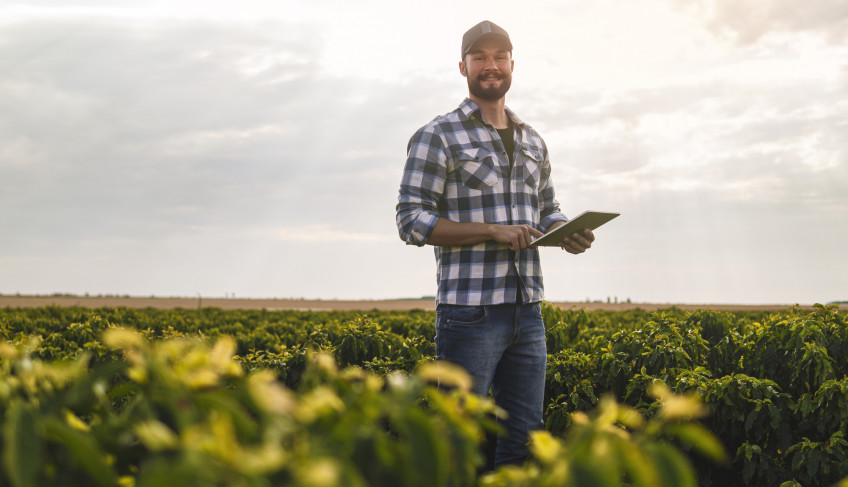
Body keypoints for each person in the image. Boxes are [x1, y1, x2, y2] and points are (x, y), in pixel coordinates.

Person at [395, 20, 595, 468]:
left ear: (511, 65)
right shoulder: (437, 135)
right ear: (462, 67)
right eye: (480, 57)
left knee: (524, 441)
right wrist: (491, 230)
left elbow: (546, 208)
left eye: (499, 57)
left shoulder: (532, 139)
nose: (491, 65)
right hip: (470, 313)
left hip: (528, 309)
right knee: (458, 441)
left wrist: (567, 230)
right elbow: (411, 220)